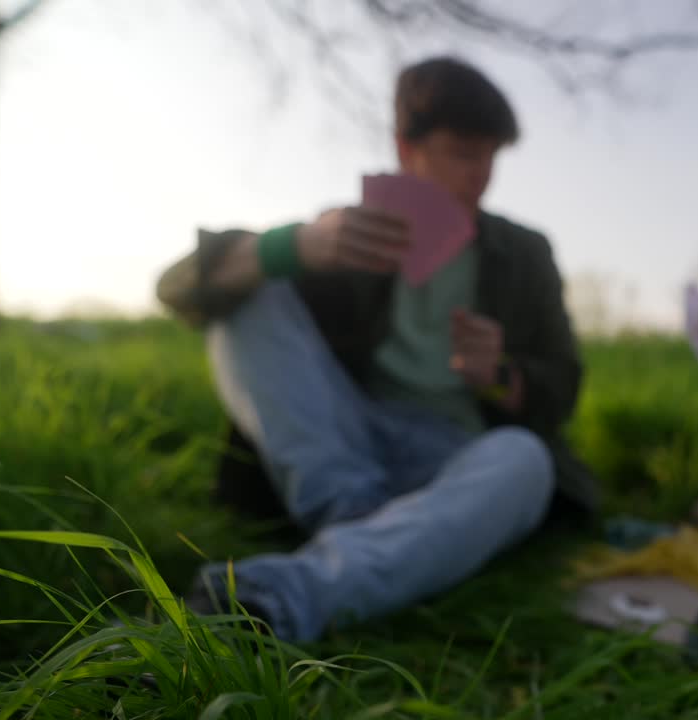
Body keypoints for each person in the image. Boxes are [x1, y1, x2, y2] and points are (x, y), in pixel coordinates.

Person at [155, 56, 598, 643]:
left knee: (524, 461)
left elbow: (563, 383)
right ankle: (372, 531)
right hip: (344, 447)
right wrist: (291, 248)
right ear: (404, 148)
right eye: (464, 153)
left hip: (457, 456)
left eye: (493, 156)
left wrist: (501, 375)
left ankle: (279, 595)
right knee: (251, 293)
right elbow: (177, 288)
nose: (482, 175)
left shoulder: (525, 253)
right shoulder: (344, 235)